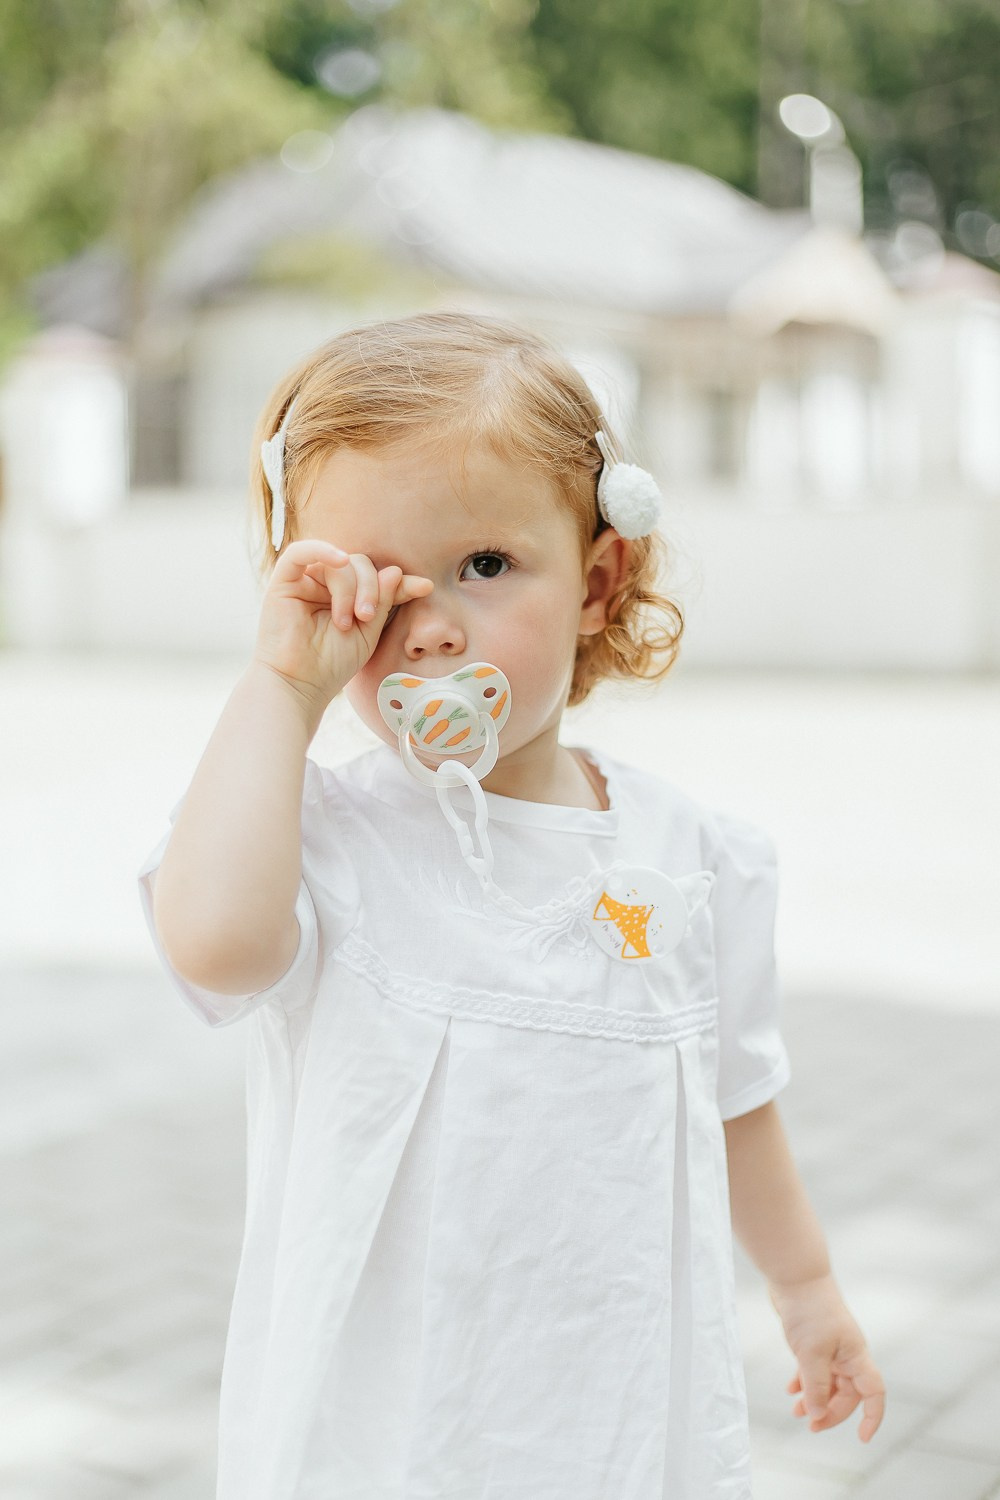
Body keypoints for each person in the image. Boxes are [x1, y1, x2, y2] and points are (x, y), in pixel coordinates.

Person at [138, 310, 885, 1500]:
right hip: (386, 1433)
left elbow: (736, 1102)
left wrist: (805, 1292)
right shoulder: (322, 837)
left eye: (483, 566)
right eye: (375, 592)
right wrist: (282, 687)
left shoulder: (692, 859)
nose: (429, 626)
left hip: (615, 1420)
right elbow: (217, 947)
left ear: (598, 580)